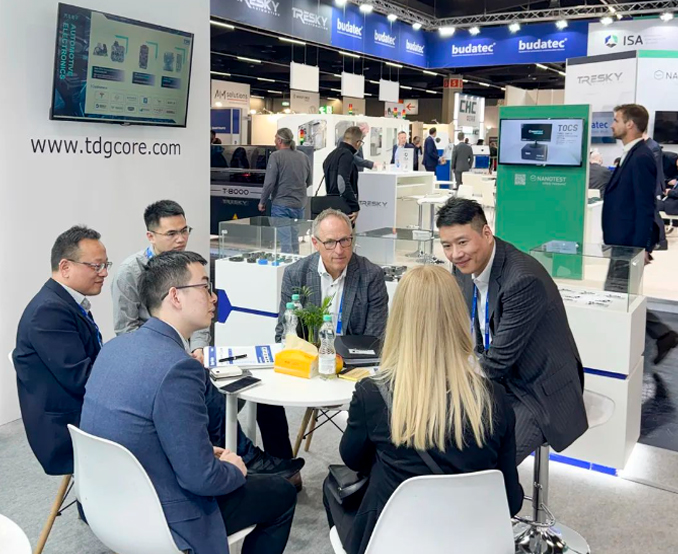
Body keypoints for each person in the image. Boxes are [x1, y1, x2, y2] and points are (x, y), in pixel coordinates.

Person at [80, 251, 297, 554]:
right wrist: (236, 469)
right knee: (282, 493)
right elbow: (202, 479)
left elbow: (141, 431)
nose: (214, 297)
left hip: (105, 503)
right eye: (205, 287)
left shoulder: (115, 348)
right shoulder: (178, 368)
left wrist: (202, 451)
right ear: (175, 296)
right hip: (163, 515)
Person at [322, 265, 523, 554]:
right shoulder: (495, 399)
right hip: (472, 542)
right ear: (459, 318)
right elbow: (511, 501)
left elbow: (352, 459)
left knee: (332, 486)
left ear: (399, 321)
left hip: (391, 543)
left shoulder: (373, 394)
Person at [111, 200, 304, 480]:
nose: (181, 239)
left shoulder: (190, 265)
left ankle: (280, 462)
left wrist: (199, 347)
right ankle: (247, 458)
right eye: (171, 233)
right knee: (214, 399)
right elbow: (126, 331)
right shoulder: (129, 273)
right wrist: (176, 355)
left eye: (184, 230)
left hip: (197, 355)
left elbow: (203, 315)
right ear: (150, 236)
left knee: (259, 383)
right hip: (160, 362)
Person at [436, 198, 588, 463]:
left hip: (535, 392)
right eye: (447, 245)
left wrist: (450, 381)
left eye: (462, 242)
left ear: (486, 233)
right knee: (438, 437)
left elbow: (496, 363)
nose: (455, 254)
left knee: (487, 462)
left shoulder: (522, 280)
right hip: (496, 381)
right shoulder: (464, 267)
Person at [13, 226, 110, 476]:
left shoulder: (63, 302)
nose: (104, 273)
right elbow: (82, 379)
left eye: (105, 265)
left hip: (76, 410)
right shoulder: (48, 312)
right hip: (65, 430)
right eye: (96, 266)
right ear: (65, 267)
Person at [605, 104, 678, 364]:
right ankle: (660, 335)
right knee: (619, 294)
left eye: (616, 120)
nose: (612, 125)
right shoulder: (633, 154)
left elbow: (645, 206)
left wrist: (641, 248)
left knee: (618, 294)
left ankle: (657, 336)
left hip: (629, 243)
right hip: (622, 240)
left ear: (630, 125)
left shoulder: (641, 157)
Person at [258, 128, 312, 253]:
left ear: (279, 140)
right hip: (299, 205)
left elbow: (269, 183)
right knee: (294, 240)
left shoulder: (276, 156)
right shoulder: (303, 157)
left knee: (285, 241)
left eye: (275, 138)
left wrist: (262, 201)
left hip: (281, 205)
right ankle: (296, 263)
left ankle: (287, 264)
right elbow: (309, 181)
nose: (274, 141)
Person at [323, 126, 362, 225]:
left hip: (330, 205)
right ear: (358, 143)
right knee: (344, 233)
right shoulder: (347, 155)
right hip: (344, 206)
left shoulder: (330, 155)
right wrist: (354, 206)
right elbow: (342, 182)